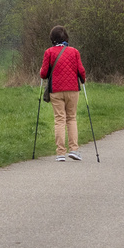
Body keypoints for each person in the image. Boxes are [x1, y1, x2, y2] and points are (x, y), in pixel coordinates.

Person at [39, 25, 88, 161]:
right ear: (66, 37)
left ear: (52, 39)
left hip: (56, 90)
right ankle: (74, 149)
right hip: (72, 89)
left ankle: (60, 153)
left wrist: (42, 73)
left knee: (59, 119)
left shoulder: (49, 52)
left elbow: (43, 74)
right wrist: (83, 80)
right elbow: (81, 71)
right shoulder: (74, 52)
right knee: (71, 118)